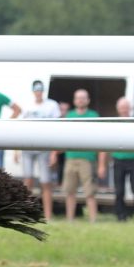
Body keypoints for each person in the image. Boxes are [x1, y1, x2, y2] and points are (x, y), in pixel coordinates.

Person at [52, 89, 101, 223]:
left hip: (88, 159)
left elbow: (100, 138)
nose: (80, 100)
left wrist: (101, 163)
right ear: (74, 100)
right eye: (78, 98)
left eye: (83, 98)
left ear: (88, 100)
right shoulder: (69, 115)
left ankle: (93, 220)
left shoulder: (94, 116)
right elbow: (63, 137)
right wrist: (54, 154)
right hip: (71, 158)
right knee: (69, 191)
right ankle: (70, 220)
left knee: (90, 192)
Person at [14, 80, 60, 221]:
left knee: (46, 182)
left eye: (40, 90)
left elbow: (58, 129)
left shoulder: (52, 105)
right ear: (33, 91)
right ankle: (26, 213)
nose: (38, 93)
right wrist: (16, 149)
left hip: (44, 147)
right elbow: (19, 128)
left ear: (43, 91)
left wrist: (54, 152)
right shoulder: (27, 105)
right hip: (28, 147)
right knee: (27, 180)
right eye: (36, 90)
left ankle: (48, 215)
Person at [97, 97, 134, 222]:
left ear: (130, 108)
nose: (124, 110)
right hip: (119, 160)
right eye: (122, 107)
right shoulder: (113, 124)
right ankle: (120, 216)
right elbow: (104, 145)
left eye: (126, 107)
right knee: (119, 191)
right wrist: (102, 165)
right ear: (118, 109)